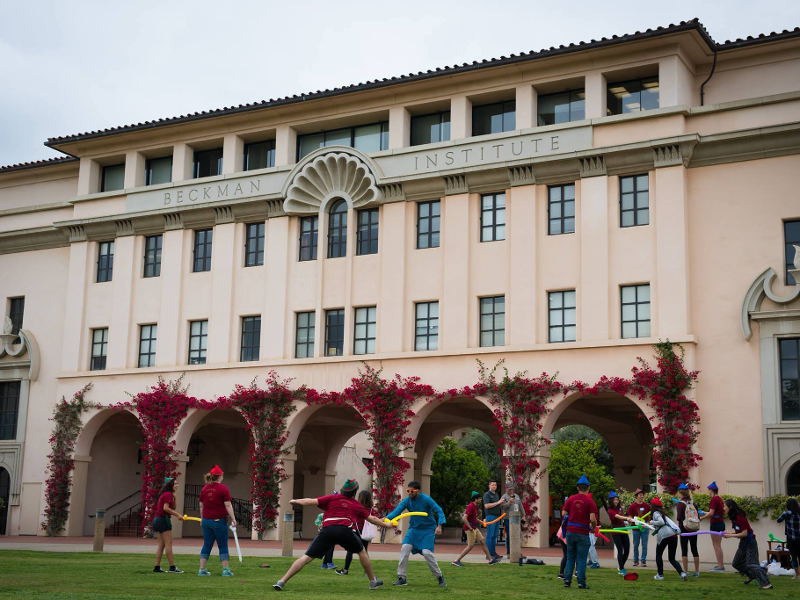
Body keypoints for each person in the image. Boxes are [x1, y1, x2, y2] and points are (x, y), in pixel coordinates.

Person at [272, 479, 390, 591]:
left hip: (327, 531)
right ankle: (372, 581)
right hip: (345, 531)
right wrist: (387, 525)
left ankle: (281, 581)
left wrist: (295, 501)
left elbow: (309, 501)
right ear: (354, 493)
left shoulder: (332, 498)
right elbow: (372, 519)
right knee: (362, 551)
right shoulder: (356, 504)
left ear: (342, 490)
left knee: (306, 557)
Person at [386, 480, 447, 588]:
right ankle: (402, 578)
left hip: (428, 529)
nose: (409, 493)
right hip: (414, 529)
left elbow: (439, 511)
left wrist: (439, 526)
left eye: (411, 491)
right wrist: (385, 519)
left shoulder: (426, 499)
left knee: (427, 552)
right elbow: (397, 511)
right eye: (407, 490)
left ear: (417, 491)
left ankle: (440, 577)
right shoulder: (407, 501)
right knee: (405, 548)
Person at [723, 499, 772, 589]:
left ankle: (766, 584)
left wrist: (730, 535)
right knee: (736, 563)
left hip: (750, 542)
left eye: (725, 506)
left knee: (751, 564)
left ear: (730, 507)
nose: (723, 508)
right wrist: (729, 533)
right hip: (743, 542)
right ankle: (751, 575)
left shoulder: (740, 517)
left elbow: (745, 533)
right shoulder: (733, 518)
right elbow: (738, 530)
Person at [561, 475, 599, 590]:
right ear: (588, 488)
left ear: (578, 488)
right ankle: (581, 583)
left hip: (570, 532)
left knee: (570, 557)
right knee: (581, 558)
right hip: (582, 532)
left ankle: (567, 580)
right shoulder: (590, 501)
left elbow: (563, 514)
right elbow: (593, 519)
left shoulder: (571, 499)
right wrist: (593, 527)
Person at [198, 465, 236, 577]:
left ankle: (202, 569)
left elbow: (201, 506)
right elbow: (228, 505)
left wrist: (202, 518)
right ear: (220, 476)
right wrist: (233, 518)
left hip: (206, 520)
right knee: (223, 545)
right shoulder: (223, 488)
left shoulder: (204, 489)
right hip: (218, 521)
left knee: (207, 544)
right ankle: (225, 570)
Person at [452, 492, 501, 567]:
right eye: (479, 498)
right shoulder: (471, 506)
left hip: (474, 528)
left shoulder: (475, 506)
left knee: (483, 541)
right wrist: (470, 528)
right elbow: (464, 518)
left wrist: (480, 522)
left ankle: (490, 560)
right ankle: (456, 560)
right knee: (470, 546)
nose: (481, 500)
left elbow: (473, 517)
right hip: (470, 528)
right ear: (475, 499)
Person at [335, 489, 378, 576]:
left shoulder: (357, 507)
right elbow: (374, 518)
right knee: (364, 551)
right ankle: (367, 571)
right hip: (365, 533)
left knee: (350, 550)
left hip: (356, 531)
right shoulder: (370, 510)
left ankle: (345, 570)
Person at [152, 477, 185, 573]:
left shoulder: (167, 494)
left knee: (161, 545)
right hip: (163, 520)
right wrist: (178, 515)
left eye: (177, 483)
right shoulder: (167, 494)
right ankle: (172, 567)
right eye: (175, 484)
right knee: (168, 544)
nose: (177, 485)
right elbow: (166, 508)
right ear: (170, 485)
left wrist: (175, 498)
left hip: (156, 520)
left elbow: (173, 507)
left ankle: (157, 567)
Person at [650, 497, 687, 581]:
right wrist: (645, 525)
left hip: (664, 536)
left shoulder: (656, 513)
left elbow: (661, 523)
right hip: (673, 535)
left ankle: (660, 575)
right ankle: (682, 573)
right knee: (672, 558)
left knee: (658, 555)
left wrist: (652, 522)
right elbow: (657, 525)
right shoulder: (662, 513)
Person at [699, 481, 726, 571]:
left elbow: (711, 513)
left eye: (708, 490)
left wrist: (702, 518)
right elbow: (715, 513)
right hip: (720, 523)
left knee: (716, 545)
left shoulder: (714, 499)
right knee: (718, 545)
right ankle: (720, 565)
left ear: (712, 490)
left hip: (715, 524)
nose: (707, 492)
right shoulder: (719, 499)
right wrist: (704, 512)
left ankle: (720, 566)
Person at [675, 484, 701, 578]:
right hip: (694, 529)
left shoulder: (680, 504)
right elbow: (698, 516)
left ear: (680, 492)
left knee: (684, 550)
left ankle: (685, 571)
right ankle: (697, 571)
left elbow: (678, 518)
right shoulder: (693, 503)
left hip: (684, 529)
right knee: (695, 549)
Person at [607, 491, 631, 576]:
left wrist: (623, 510)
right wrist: (627, 518)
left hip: (623, 528)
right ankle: (621, 569)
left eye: (617, 499)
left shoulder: (619, 507)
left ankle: (621, 566)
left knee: (627, 549)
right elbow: (618, 516)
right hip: (616, 530)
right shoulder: (610, 510)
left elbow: (621, 515)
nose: (616, 501)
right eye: (614, 500)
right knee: (620, 550)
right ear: (611, 501)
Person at [776, 497, 800, 578]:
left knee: (793, 556)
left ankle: (797, 575)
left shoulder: (786, 513)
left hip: (791, 538)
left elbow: (778, 520)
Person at [627, 488, 649, 567]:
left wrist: (648, 523)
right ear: (636, 496)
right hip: (635, 528)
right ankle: (635, 560)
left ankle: (643, 561)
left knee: (644, 545)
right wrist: (631, 519)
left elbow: (650, 514)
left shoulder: (646, 505)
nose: (642, 496)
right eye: (640, 495)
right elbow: (630, 515)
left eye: (642, 495)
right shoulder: (632, 506)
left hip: (644, 528)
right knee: (636, 545)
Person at [501, 481, 523, 558]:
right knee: (510, 535)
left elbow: (520, 506)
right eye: (509, 489)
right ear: (506, 489)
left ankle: (516, 552)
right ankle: (509, 553)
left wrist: (523, 515)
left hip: (516, 518)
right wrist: (509, 503)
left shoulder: (516, 496)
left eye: (511, 489)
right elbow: (503, 507)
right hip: (508, 518)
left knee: (517, 535)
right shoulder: (504, 497)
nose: (511, 490)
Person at [483, 480, 504, 560]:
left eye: (495, 485)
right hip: (490, 516)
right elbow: (487, 506)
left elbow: (498, 504)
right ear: (489, 486)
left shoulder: (496, 495)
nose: (494, 486)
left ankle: (493, 552)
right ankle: (489, 554)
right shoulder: (487, 495)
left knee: (495, 536)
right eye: (492, 485)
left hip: (497, 517)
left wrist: (501, 503)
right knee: (490, 535)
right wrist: (498, 503)